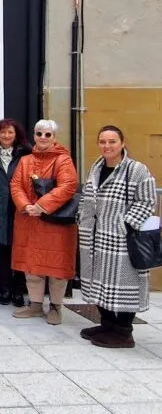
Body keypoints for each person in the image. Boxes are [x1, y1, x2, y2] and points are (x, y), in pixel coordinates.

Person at [78, 125, 157, 348]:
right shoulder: (95, 168)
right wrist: (81, 218)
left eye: (112, 141)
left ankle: (123, 332)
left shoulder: (136, 170)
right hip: (94, 238)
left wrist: (124, 225)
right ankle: (107, 324)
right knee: (99, 282)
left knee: (124, 284)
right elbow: (86, 197)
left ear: (122, 143)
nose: (107, 146)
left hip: (122, 240)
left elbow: (147, 202)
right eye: (103, 141)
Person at [10, 119, 79, 325]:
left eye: (47, 134)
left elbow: (68, 186)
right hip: (29, 221)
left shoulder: (63, 160)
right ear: (34, 136)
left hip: (55, 223)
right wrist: (25, 206)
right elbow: (15, 185)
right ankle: (35, 304)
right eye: (39, 133)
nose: (42, 138)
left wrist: (40, 206)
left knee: (57, 269)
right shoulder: (25, 161)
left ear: (54, 137)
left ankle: (56, 307)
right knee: (32, 266)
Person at [0, 118, 31, 306]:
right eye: (3, 132)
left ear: (16, 134)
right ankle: (5, 289)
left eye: (10, 132)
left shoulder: (26, 153)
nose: (6, 135)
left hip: (20, 208)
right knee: (3, 250)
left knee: (20, 250)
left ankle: (19, 291)